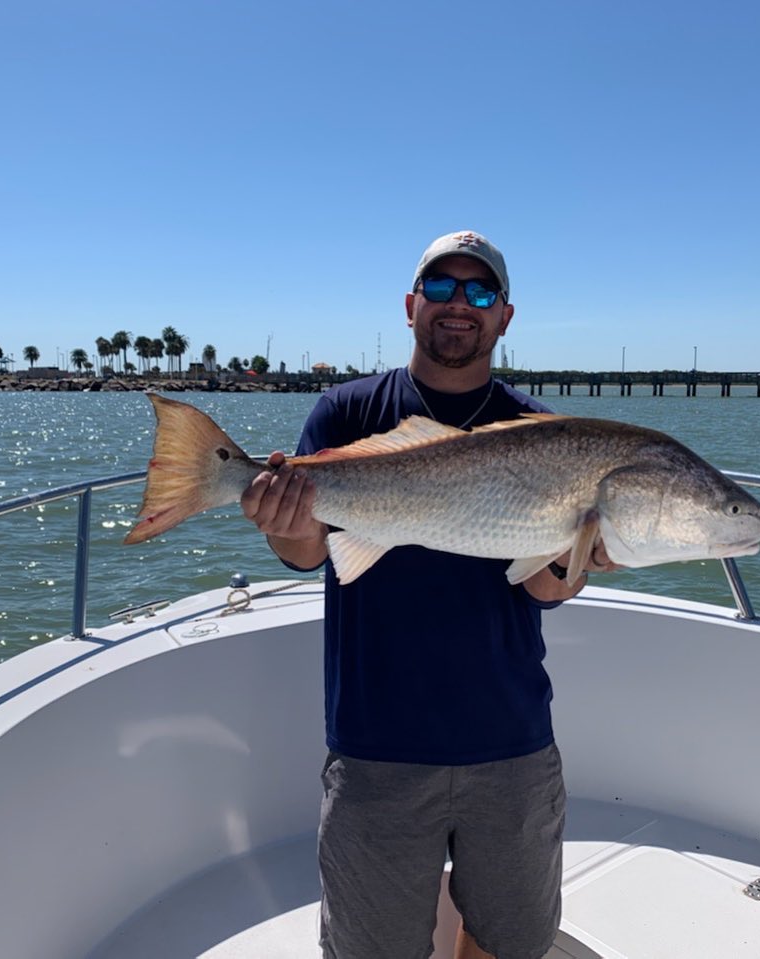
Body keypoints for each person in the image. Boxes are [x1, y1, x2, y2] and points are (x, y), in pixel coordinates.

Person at [241, 230, 614, 959]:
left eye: (481, 292)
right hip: (377, 743)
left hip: (510, 739)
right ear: (411, 305)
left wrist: (581, 554)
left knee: (508, 942)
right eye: (442, 288)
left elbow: (544, 586)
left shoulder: (547, 435)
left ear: (505, 316)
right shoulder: (346, 412)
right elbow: (308, 548)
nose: (459, 305)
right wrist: (278, 521)